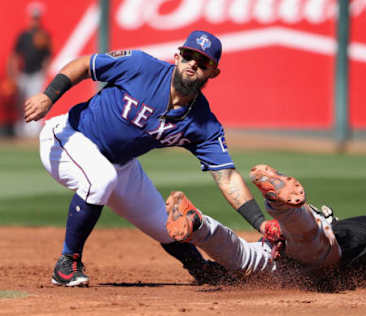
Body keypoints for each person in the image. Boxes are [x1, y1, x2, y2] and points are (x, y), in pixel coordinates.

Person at [24, 30, 271, 287]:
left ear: (213, 72)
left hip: (121, 164)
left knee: (167, 226)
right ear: (177, 56)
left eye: (203, 61)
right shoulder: (140, 66)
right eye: (189, 55)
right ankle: (67, 263)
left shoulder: (202, 123)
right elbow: (85, 65)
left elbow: (228, 177)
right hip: (68, 137)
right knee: (99, 179)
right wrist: (48, 96)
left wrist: (261, 223)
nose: (193, 63)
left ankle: (199, 268)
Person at [164, 164, 366, 291]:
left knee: (244, 257)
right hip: (318, 247)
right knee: (309, 238)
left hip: (288, 260)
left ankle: (200, 225)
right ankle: (281, 203)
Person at [9, 2, 51, 138]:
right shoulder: (23, 36)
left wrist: (44, 73)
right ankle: (21, 130)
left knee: (36, 102)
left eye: (36, 18)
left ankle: (33, 132)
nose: (35, 20)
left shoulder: (44, 35)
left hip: (37, 74)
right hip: (23, 74)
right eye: (33, 17)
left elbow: (47, 56)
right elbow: (15, 56)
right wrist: (13, 75)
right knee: (21, 102)